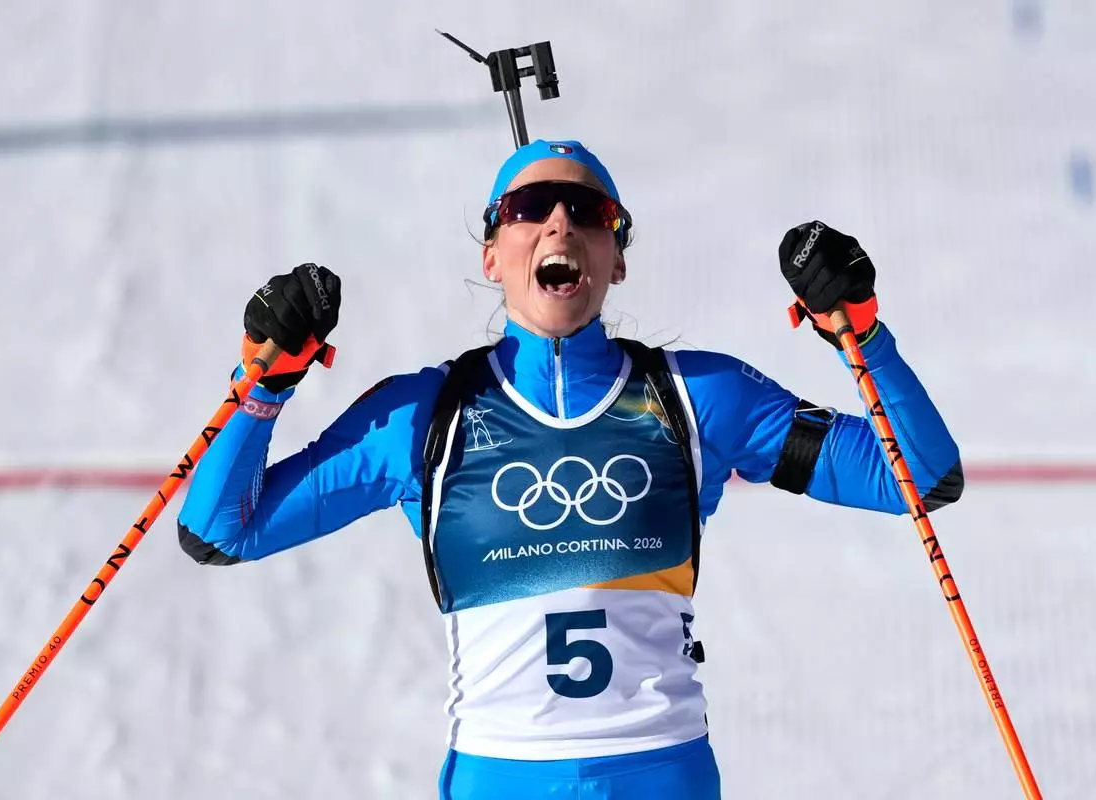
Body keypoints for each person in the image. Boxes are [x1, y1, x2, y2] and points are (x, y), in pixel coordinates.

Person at [177, 139, 963, 799]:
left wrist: (861, 331)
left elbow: (919, 479)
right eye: (530, 208)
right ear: (492, 254)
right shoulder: (422, 417)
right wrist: (264, 383)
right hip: (499, 776)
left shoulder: (698, 398)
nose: (560, 221)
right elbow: (219, 531)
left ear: (616, 259)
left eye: (588, 212)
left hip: (661, 774)